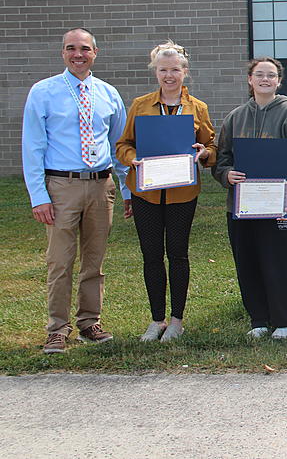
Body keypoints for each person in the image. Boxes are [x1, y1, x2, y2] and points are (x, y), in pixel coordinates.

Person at [22, 28, 131, 354]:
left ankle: (89, 322)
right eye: (71, 48)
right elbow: (32, 148)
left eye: (84, 48)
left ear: (95, 52)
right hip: (61, 187)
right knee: (60, 262)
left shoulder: (109, 94)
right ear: (63, 53)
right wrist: (39, 196)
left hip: (101, 187)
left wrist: (126, 190)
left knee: (94, 262)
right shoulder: (43, 92)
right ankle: (57, 329)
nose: (78, 54)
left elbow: (119, 146)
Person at [116, 41, 217, 342]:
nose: (169, 75)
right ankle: (156, 319)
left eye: (175, 69)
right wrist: (131, 159)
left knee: (178, 254)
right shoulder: (140, 105)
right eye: (163, 70)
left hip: (181, 194)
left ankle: (176, 320)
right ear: (155, 72)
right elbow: (123, 144)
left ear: (185, 71)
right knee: (151, 255)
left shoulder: (198, 108)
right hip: (145, 193)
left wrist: (203, 153)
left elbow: (211, 146)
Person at [212, 57, 287, 340]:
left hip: (278, 205)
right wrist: (226, 174)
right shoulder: (235, 117)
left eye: (271, 75)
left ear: (279, 81)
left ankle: (283, 319)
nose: (265, 80)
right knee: (248, 261)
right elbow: (222, 158)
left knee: (276, 261)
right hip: (242, 206)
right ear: (250, 80)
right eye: (259, 75)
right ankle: (258, 320)